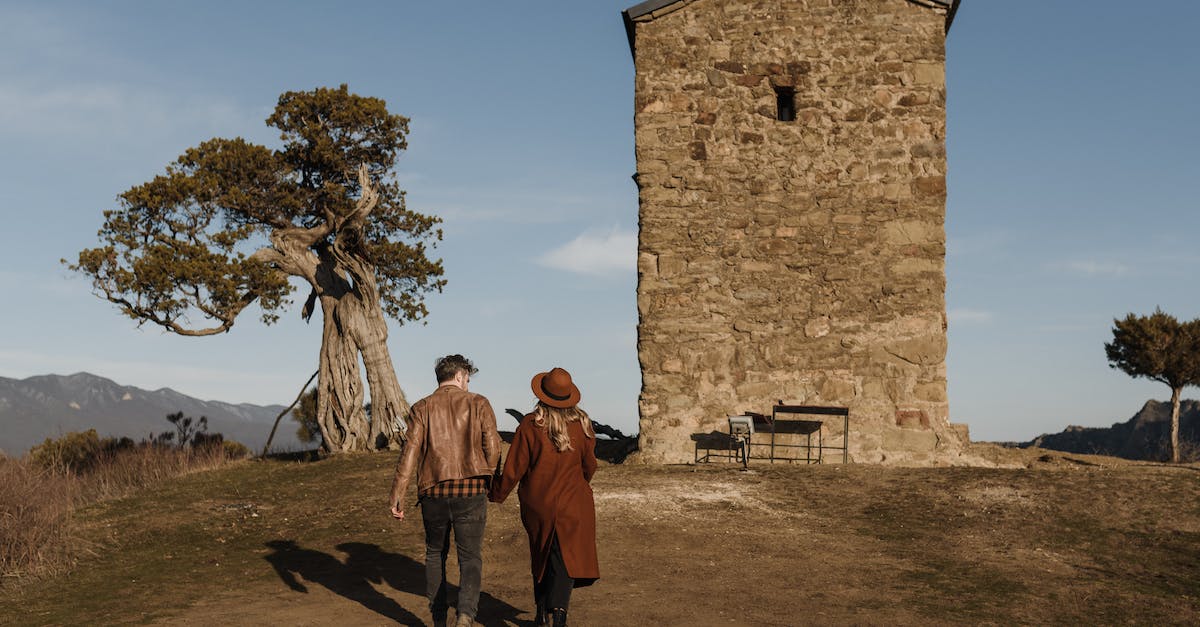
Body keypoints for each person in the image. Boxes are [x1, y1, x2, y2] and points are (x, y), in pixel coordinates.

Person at [389, 354, 501, 627]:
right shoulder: (479, 403)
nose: (468, 382)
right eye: (468, 377)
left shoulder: (422, 407)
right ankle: (465, 614)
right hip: (472, 489)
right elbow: (494, 447)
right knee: (470, 556)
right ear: (460, 375)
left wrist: (397, 495)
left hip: (434, 491)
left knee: (434, 553)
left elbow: (410, 452)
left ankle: (439, 618)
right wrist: (487, 476)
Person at [490, 367, 599, 627]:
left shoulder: (531, 424)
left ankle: (542, 612)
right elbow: (590, 466)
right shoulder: (582, 423)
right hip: (575, 503)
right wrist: (579, 485)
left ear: (542, 394)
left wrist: (497, 492)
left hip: (539, 502)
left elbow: (515, 467)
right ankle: (558, 615)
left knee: (541, 553)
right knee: (563, 559)